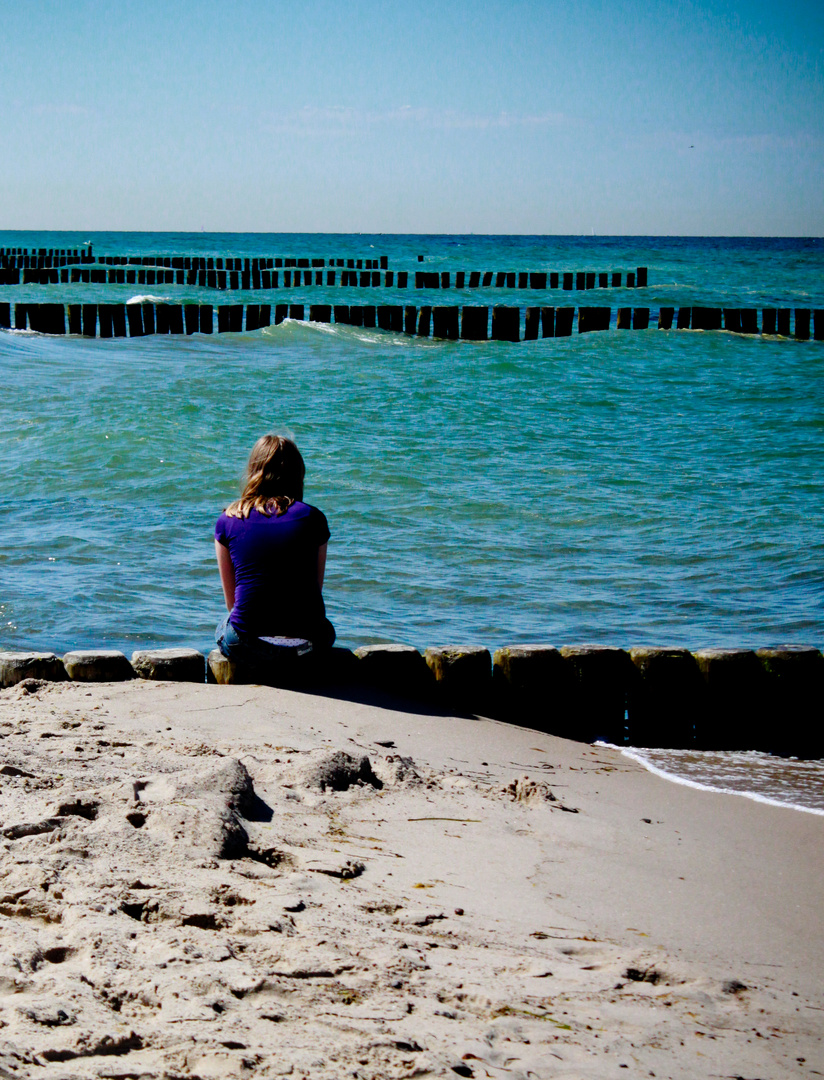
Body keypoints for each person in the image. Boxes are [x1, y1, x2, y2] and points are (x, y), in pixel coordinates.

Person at [214, 434, 335, 667]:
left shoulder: (228, 519)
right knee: (324, 628)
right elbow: (314, 590)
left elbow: (232, 605)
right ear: (298, 472)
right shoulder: (314, 518)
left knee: (226, 624)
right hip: (307, 647)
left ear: (253, 471)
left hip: (249, 646)